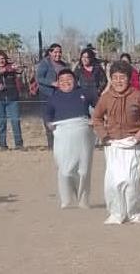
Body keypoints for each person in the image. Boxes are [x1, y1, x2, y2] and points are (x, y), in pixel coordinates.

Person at [92, 61, 140, 224]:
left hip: (132, 144)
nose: (119, 81)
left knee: (131, 180)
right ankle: (116, 213)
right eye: (115, 78)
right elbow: (96, 117)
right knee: (113, 181)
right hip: (112, 144)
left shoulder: (138, 95)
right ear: (111, 79)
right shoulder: (105, 98)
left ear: (128, 78)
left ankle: (134, 212)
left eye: (122, 77)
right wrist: (104, 135)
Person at [45, 69, 97, 208]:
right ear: (58, 83)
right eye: (62, 80)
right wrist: (49, 124)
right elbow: (47, 115)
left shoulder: (84, 93)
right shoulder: (53, 98)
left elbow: (100, 107)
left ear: (75, 80)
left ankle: (83, 200)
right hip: (62, 133)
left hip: (83, 132)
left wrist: (95, 119)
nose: (66, 82)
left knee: (84, 170)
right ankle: (67, 200)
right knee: (65, 171)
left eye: (69, 79)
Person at [0, 50, 25, 151]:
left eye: (3, 59)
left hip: (12, 99)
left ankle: (19, 144)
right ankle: (3, 145)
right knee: (1, 123)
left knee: (15, 121)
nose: (1, 61)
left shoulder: (12, 67)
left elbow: (20, 70)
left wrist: (12, 68)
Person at [36, 43, 69, 150]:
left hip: (60, 95)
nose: (58, 54)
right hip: (47, 95)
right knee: (48, 119)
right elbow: (39, 78)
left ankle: (61, 143)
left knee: (60, 118)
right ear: (50, 53)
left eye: (59, 52)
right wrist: (52, 83)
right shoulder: (44, 63)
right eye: (55, 52)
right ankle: (51, 144)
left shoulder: (63, 65)